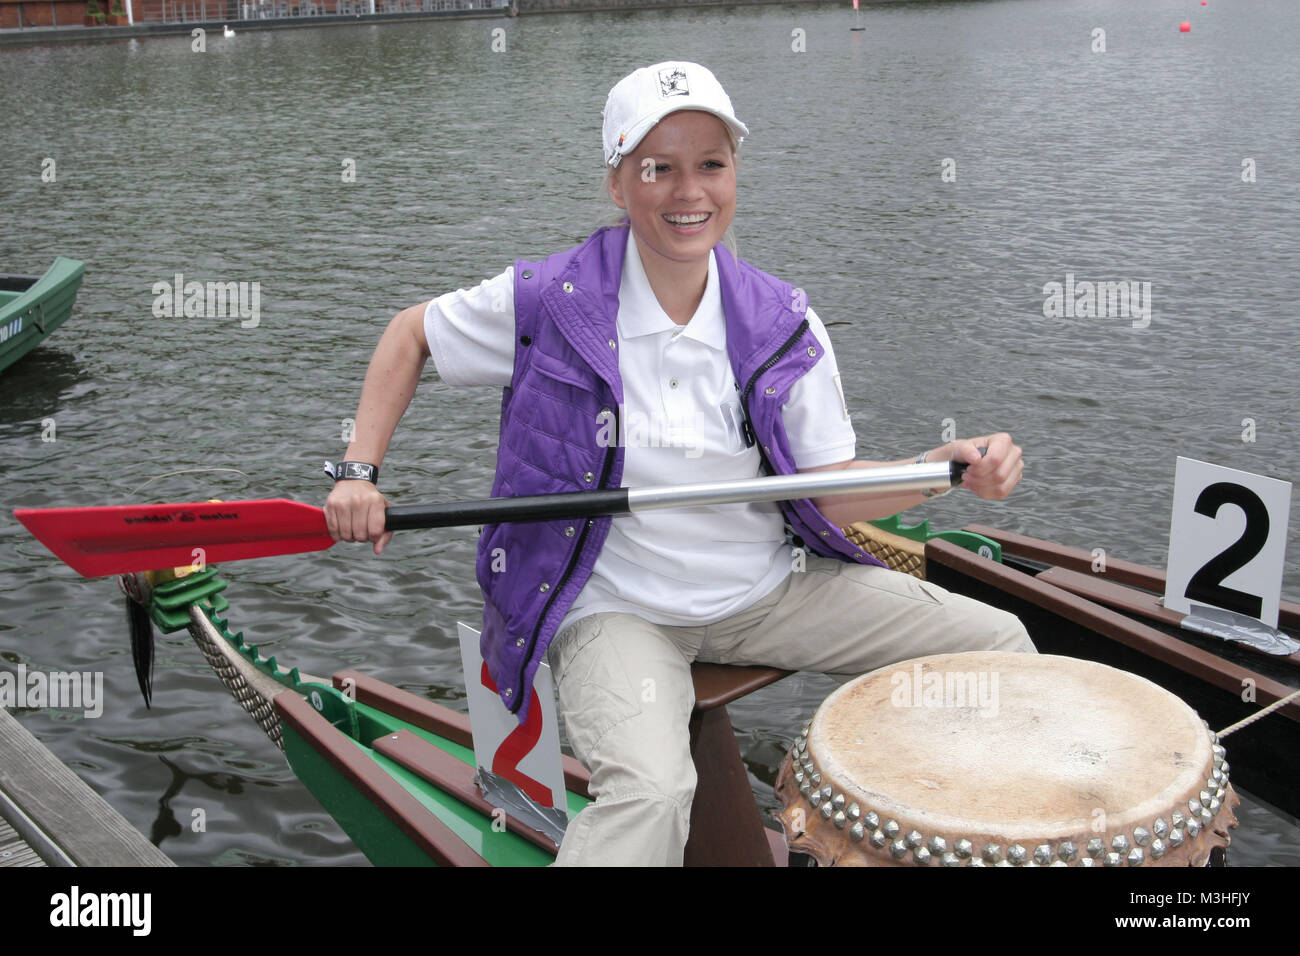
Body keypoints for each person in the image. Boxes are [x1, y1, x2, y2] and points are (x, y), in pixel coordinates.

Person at [324, 61, 1034, 866]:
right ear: (618, 183)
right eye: (657, 167)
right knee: (653, 795)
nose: (687, 191)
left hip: (767, 591)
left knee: (1001, 645)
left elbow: (829, 496)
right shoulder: (547, 301)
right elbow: (408, 334)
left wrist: (937, 468)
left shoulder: (784, 322)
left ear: (735, 176)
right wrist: (358, 473)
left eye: (711, 164)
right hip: (618, 610)